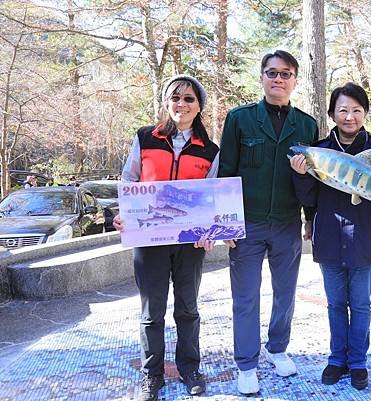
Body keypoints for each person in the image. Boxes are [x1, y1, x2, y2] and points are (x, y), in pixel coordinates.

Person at [289, 83, 371, 390]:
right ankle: (337, 360)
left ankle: (358, 362)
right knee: (335, 304)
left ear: (365, 113)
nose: (349, 117)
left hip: (366, 238)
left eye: (357, 110)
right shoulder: (318, 151)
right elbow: (309, 199)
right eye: (343, 110)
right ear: (333, 113)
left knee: (360, 304)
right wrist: (300, 174)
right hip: (330, 238)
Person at [112, 74, 219, 401]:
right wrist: (124, 214)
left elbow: (213, 197)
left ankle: (189, 368)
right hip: (149, 241)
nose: (181, 104)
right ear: (165, 101)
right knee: (151, 311)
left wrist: (210, 232)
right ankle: (152, 374)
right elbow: (130, 180)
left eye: (189, 99)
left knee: (187, 308)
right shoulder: (145, 138)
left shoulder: (210, 149)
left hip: (190, 243)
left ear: (198, 106)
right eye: (176, 97)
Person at [218, 50, 319, 395]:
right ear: (261, 77)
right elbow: (226, 173)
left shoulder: (306, 125)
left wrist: (310, 220)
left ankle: (277, 347)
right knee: (245, 296)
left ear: (295, 80)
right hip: (246, 225)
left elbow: (312, 180)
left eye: (286, 74)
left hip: (287, 224)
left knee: (285, 292)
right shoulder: (239, 119)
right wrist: (225, 224)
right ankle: (246, 363)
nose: (278, 79)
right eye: (272, 73)